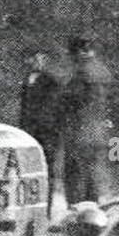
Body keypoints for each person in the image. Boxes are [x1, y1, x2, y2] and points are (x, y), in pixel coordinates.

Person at [61, 36, 114, 203]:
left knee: (76, 175)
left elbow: (71, 102)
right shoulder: (104, 72)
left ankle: (78, 213)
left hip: (81, 132)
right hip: (102, 133)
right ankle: (94, 210)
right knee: (95, 174)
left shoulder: (82, 73)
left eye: (73, 55)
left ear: (78, 53)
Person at [19, 49, 72, 199]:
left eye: (39, 58)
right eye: (32, 59)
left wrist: (53, 131)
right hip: (29, 133)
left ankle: (46, 207)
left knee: (47, 170)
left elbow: (56, 109)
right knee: (30, 171)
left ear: (44, 60)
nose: (35, 61)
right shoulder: (27, 80)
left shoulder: (51, 82)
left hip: (47, 134)